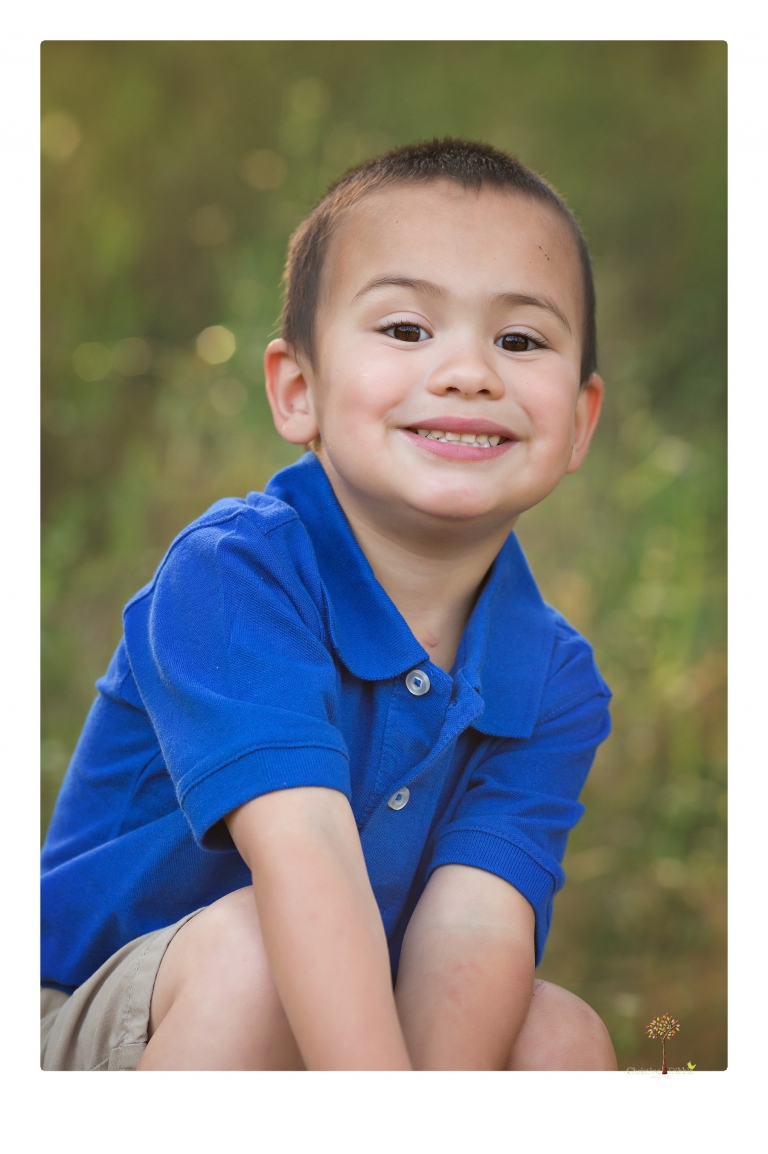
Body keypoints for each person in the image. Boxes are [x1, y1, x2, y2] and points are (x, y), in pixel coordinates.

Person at [41, 138, 618, 1071]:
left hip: (348, 1030)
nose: (470, 372)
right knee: (259, 957)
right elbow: (302, 854)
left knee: (559, 1035)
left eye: (519, 340)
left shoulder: (554, 677)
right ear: (298, 391)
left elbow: (475, 924)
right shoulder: (236, 574)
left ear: (581, 421)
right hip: (90, 1018)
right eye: (407, 329)